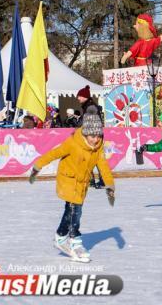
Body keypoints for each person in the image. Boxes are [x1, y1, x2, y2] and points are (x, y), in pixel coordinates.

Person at [28, 106, 115, 262]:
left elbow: (103, 165)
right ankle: (75, 242)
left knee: (70, 211)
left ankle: (60, 237)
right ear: (85, 132)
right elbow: (54, 153)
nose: (95, 139)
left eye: (98, 135)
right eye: (92, 136)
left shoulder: (98, 146)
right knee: (76, 211)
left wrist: (109, 185)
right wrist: (37, 166)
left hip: (82, 183)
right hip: (68, 179)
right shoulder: (73, 143)